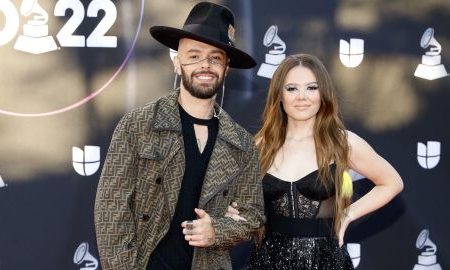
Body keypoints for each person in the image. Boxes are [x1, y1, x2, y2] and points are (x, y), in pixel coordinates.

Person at [94, 2, 265, 269]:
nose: (205, 65)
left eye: (216, 58)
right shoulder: (138, 125)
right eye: (194, 56)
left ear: (226, 68)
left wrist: (217, 231)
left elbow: (253, 217)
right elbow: (111, 210)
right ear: (177, 63)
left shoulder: (241, 143)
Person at [225, 54, 404, 269]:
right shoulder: (262, 144)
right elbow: (241, 199)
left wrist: (350, 213)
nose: (302, 96)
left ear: (323, 94)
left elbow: (392, 181)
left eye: (311, 87)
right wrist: (234, 211)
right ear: (279, 95)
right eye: (292, 88)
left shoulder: (342, 142)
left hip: (324, 261)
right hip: (267, 261)